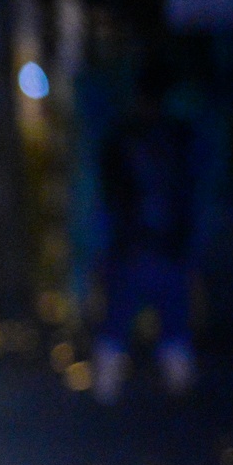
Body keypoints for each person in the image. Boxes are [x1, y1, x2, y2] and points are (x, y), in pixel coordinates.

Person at [94, 66, 200, 403]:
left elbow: (187, 195)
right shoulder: (152, 136)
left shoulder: (165, 137)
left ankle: (170, 390)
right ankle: (114, 391)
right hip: (143, 247)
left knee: (159, 321)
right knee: (136, 319)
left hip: (149, 247)